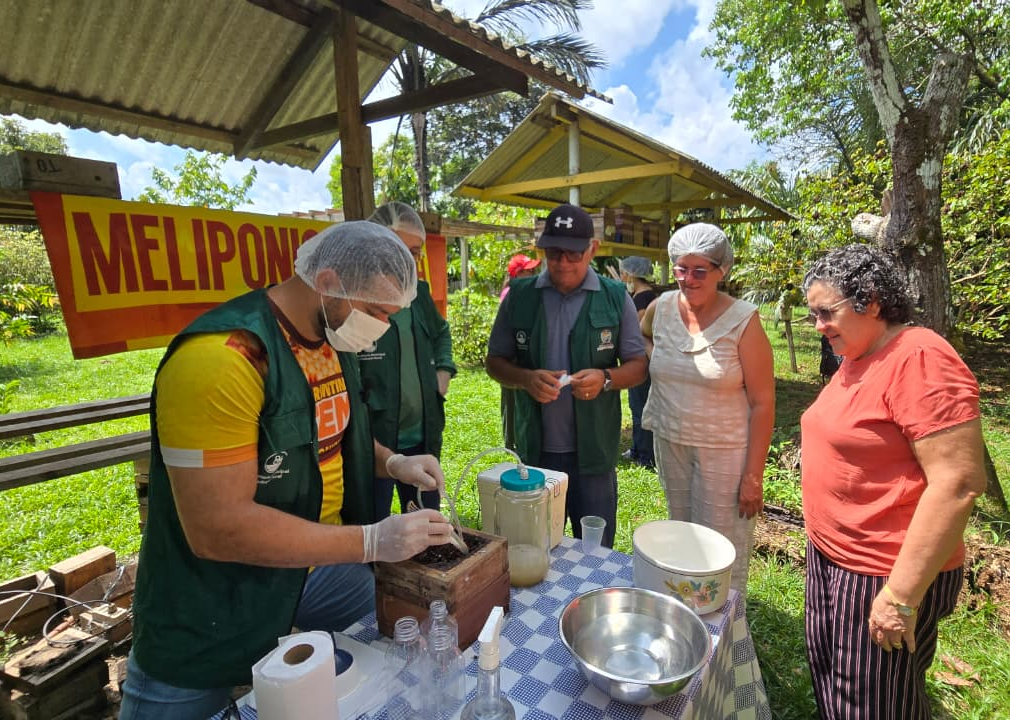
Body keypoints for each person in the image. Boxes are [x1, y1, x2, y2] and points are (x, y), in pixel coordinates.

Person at [119, 221, 455, 720]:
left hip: (318, 568)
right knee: (180, 703)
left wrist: (392, 461)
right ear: (328, 282)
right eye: (376, 312)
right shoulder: (221, 360)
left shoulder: (331, 338)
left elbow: (335, 432)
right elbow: (217, 529)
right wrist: (370, 541)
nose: (381, 328)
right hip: (215, 595)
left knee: (393, 663)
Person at [800, 244, 985, 720]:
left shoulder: (920, 357)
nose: (818, 325)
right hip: (835, 555)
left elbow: (959, 482)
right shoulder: (858, 354)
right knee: (835, 680)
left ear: (873, 300)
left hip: (882, 570)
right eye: (813, 315)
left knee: (873, 703)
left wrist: (900, 598)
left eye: (827, 312)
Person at [486, 203, 648, 548]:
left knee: (595, 548)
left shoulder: (615, 298)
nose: (562, 262)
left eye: (573, 253)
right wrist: (526, 379)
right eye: (553, 252)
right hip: (536, 450)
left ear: (593, 249)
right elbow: (495, 362)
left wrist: (606, 378)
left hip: (594, 452)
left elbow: (638, 365)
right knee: (536, 544)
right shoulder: (520, 296)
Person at [641, 223, 774, 597]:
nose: (688, 279)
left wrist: (753, 476)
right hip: (671, 441)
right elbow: (643, 335)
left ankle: (726, 624)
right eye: (681, 269)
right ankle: (685, 613)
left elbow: (763, 402)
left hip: (725, 451)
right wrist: (660, 358)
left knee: (720, 546)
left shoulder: (743, 320)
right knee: (681, 533)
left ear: (722, 270)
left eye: (700, 271)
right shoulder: (661, 307)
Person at [363, 202, 456, 519]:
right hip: (375, 441)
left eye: (413, 253)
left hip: (422, 434)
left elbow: (441, 333)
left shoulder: (418, 294)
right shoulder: (356, 302)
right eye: (396, 250)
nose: (405, 262)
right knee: (373, 524)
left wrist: (443, 373)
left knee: (425, 519)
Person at [499, 252, 543, 450]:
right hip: (511, 358)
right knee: (511, 400)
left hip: (525, 357)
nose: (533, 274)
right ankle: (512, 442)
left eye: (534, 270)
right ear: (517, 274)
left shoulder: (530, 293)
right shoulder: (510, 294)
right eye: (528, 271)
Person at [619, 255, 657, 468]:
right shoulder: (647, 296)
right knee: (637, 406)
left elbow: (637, 332)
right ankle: (637, 448)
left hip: (643, 360)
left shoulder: (642, 300)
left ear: (631, 274)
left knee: (641, 407)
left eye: (623, 272)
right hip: (644, 359)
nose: (622, 276)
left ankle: (645, 455)